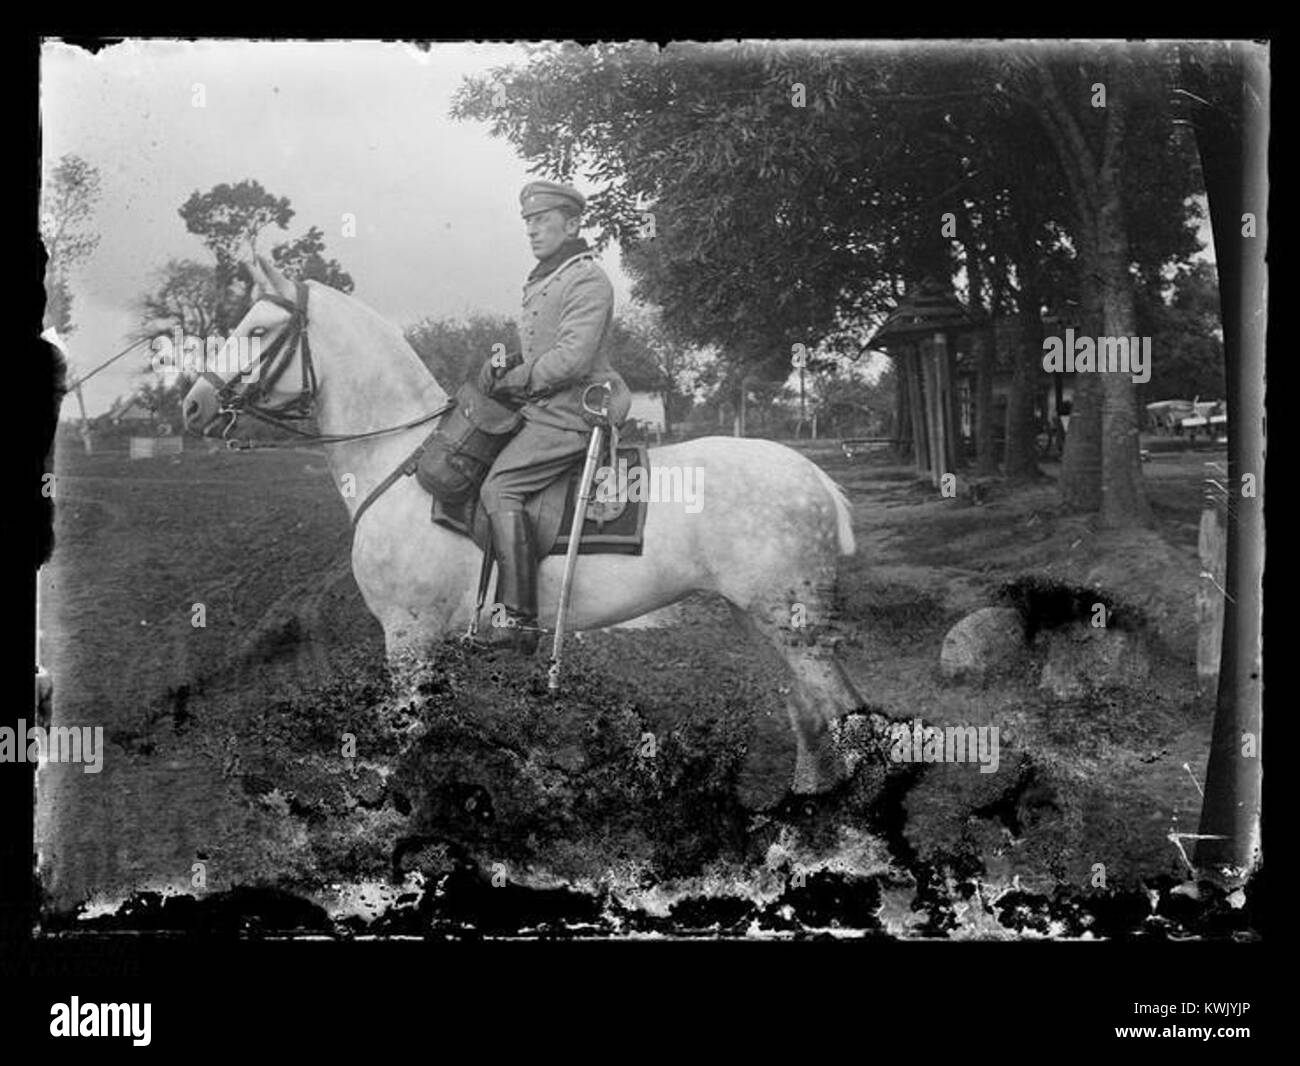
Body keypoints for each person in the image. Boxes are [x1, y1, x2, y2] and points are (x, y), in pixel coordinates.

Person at [476, 180, 631, 655]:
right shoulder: (546, 276)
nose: (533, 230)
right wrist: (503, 364)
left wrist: (518, 379)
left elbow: (572, 360)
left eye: (543, 221)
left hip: (574, 410)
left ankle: (518, 619)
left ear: (573, 224)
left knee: (498, 487)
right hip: (544, 405)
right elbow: (542, 346)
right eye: (528, 222)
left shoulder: (586, 278)